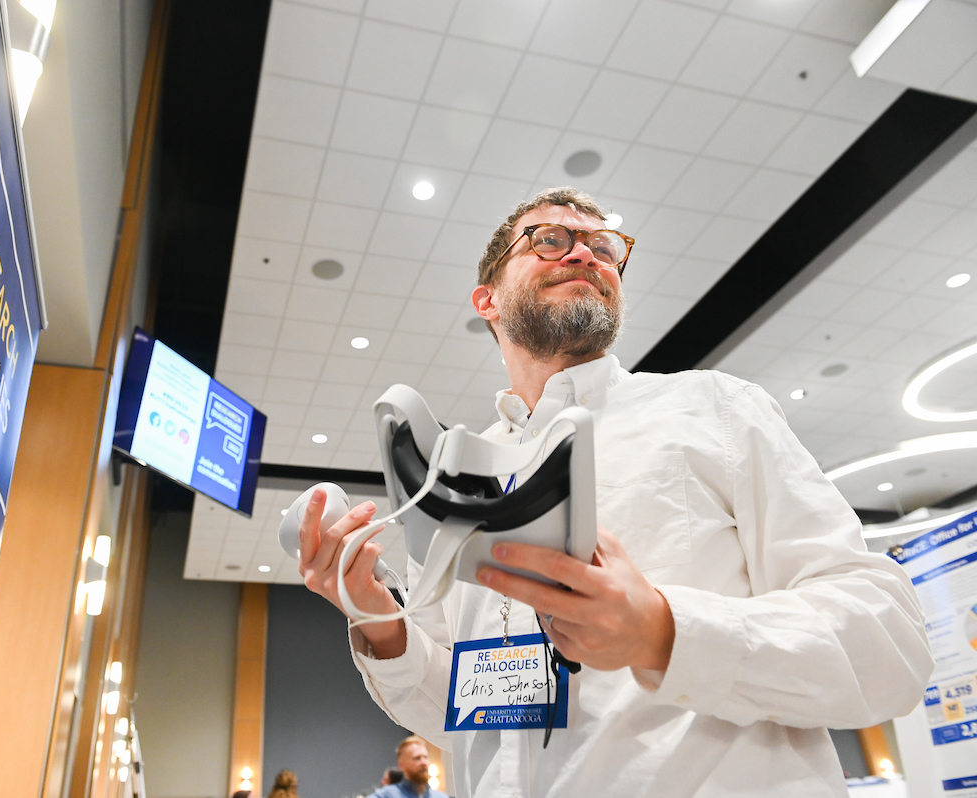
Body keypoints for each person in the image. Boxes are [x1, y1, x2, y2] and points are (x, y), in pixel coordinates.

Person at [298, 187, 933, 797]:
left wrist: (662, 631)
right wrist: (378, 617)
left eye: (604, 247)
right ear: (487, 300)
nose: (585, 253)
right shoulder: (452, 476)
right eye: (550, 240)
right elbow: (458, 713)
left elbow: (890, 648)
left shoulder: (715, 409)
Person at [367, 737, 445, 798]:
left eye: (426, 757)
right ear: (401, 764)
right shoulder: (386, 796)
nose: (423, 763)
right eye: (417, 758)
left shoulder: (441, 797)